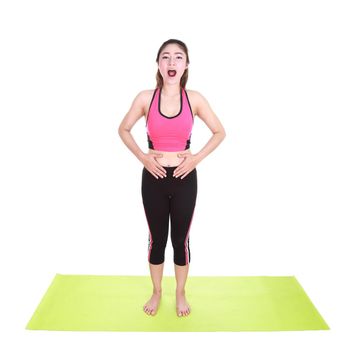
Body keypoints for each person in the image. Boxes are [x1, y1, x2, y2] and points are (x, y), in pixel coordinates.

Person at [118, 39, 226, 317]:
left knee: (181, 240)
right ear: (158, 64)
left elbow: (219, 132)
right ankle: (156, 292)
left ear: (186, 65)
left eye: (178, 57)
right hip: (152, 177)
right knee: (157, 240)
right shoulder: (145, 98)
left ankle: (180, 292)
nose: (171, 62)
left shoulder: (195, 99)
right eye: (166, 57)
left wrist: (196, 158)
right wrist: (143, 157)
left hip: (184, 178)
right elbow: (124, 129)